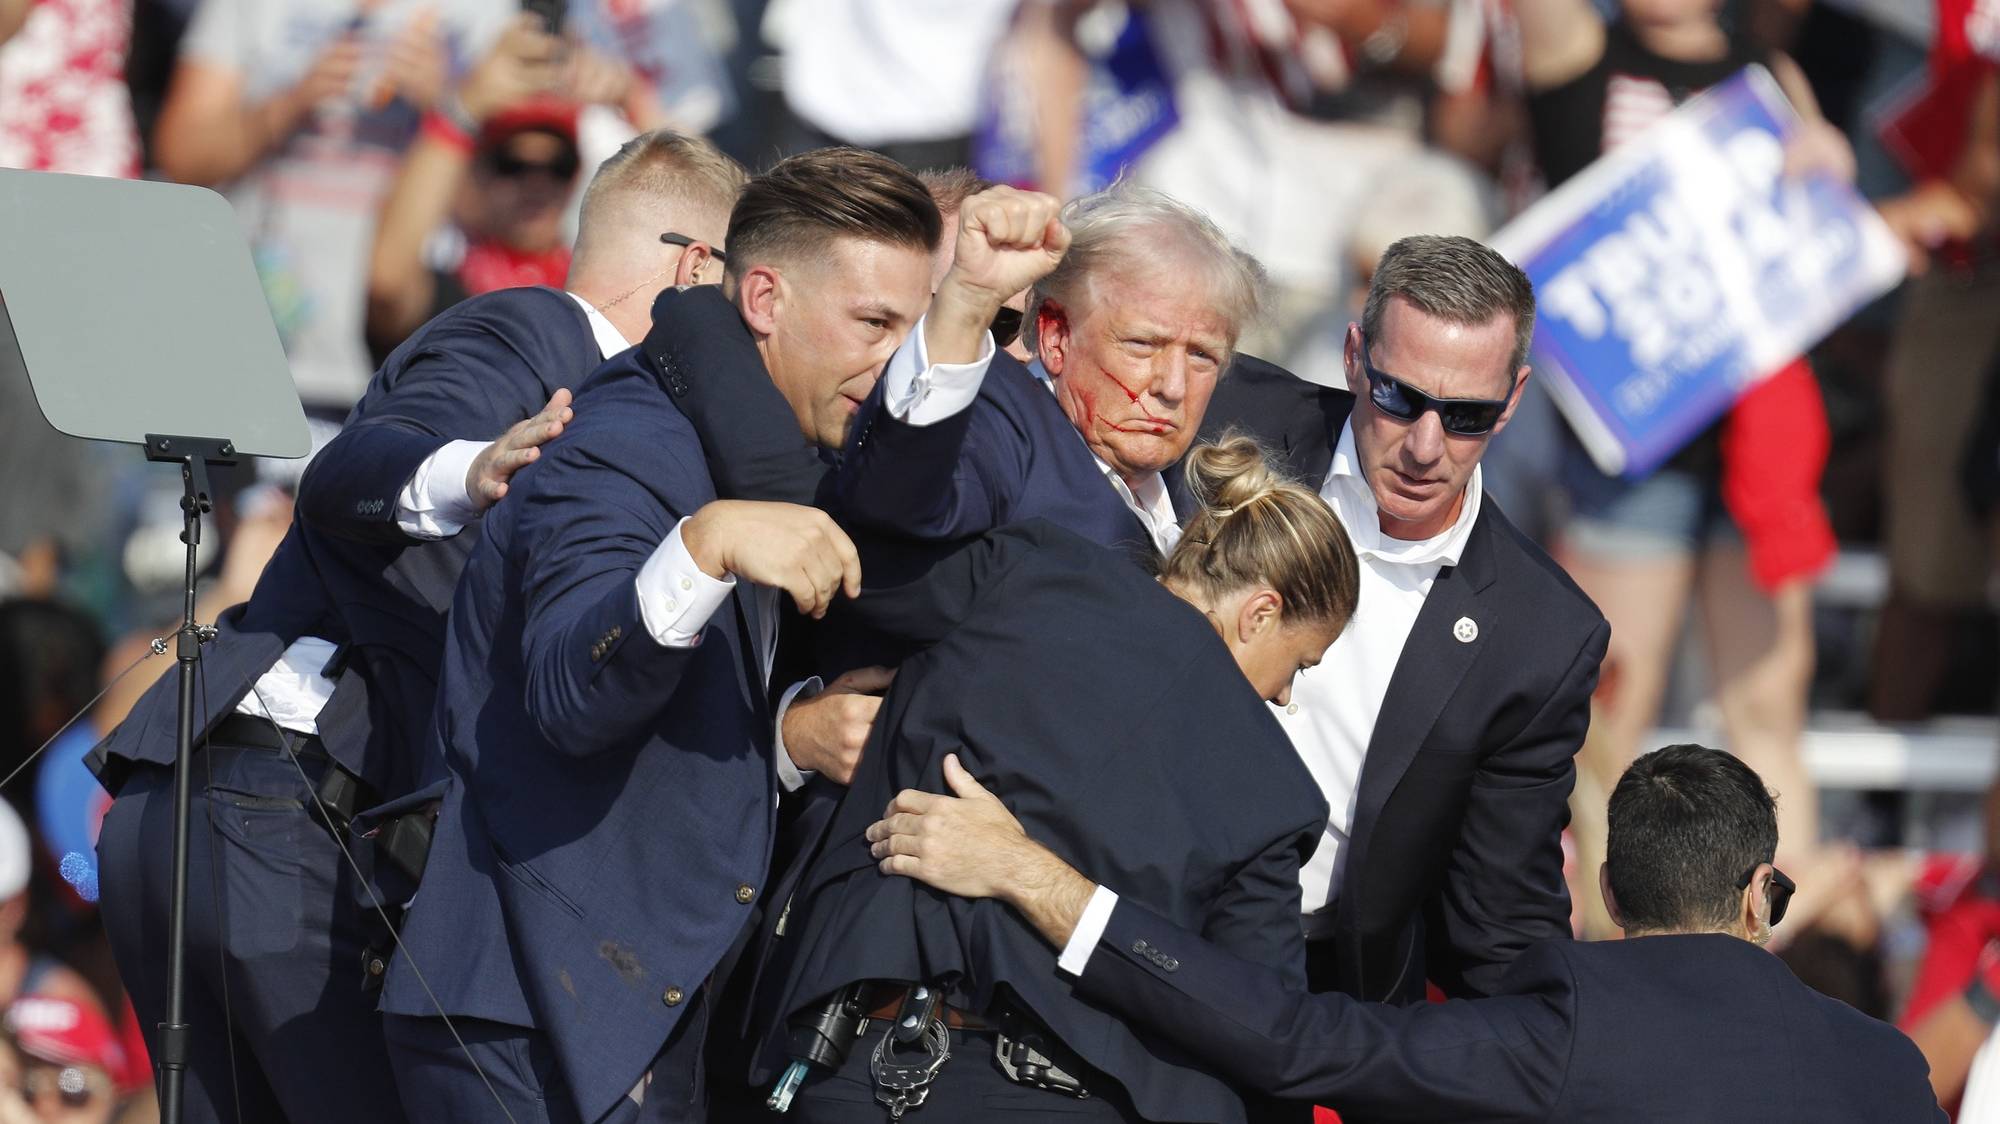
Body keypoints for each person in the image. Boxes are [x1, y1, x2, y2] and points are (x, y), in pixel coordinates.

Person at [376, 150, 1066, 1124]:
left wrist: (785, 739)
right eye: (870, 322)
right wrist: (703, 547)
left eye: (907, 329)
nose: (885, 358)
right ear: (764, 297)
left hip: (630, 1022)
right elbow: (572, 693)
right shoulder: (620, 448)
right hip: (527, 1024)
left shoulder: (772, 446)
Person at [90, 130, 745, 1124]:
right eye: (748, 285)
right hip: (283, 814)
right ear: (699, 268)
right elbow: (351, 470)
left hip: (231, 812)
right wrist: (470, 467)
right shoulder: (534, 334)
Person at [756, 436, 1359, 1123]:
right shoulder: (1271, 786)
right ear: (1260, 613)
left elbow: (856, 570)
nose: (1285, 697)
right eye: (1301, 664)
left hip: (860, 1065)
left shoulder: (1028, 567)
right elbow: (1259, 1020)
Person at [867, 744, 1946, 1122]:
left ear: (1610, 891)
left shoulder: (1568, 1023)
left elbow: (1290, 1037)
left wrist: (1031, 873)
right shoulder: (1891, 1068)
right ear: (1762, 889)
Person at [1195, 234, 1609, 1004]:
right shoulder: (1223, 414)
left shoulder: (1541, 636)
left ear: (1514, 401)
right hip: (1121, 910)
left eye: (1466, 416)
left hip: (1316, 993)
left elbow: (1503, 917)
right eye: (1399, 398)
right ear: (1355, 357)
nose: (1426, 445)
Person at [1515, 0, 1851, 896]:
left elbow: (1827, 231)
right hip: (1632, 452)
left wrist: (1831, 171)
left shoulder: (1768, 73)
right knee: (1601, 717)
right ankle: (1592, 957)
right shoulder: (1585, 52)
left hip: (1759, 444)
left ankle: (1785, 964)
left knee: (1770, 707)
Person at [833, 181, 1266, 576]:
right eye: (1141, 344)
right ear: (1056, 339)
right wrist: (968, 299)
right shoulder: (998, 421)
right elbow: (900, 501)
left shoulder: (1206, 488)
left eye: (1201, 356)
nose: (1172, 386)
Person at [151, 0, 516, 411]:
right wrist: (290, 102)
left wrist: (446, 104)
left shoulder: (483, 12)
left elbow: (524, 193)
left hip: (409, 350)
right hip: (253, 345)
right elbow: (180, 159)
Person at [365, 13, 586, 362]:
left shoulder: (595, 296)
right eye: (512, 164)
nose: (537, 184)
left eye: (558, 166)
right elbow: (388, 285)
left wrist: (633, 96)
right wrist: (462, 110)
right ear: (476, 175)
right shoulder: (457, 297)